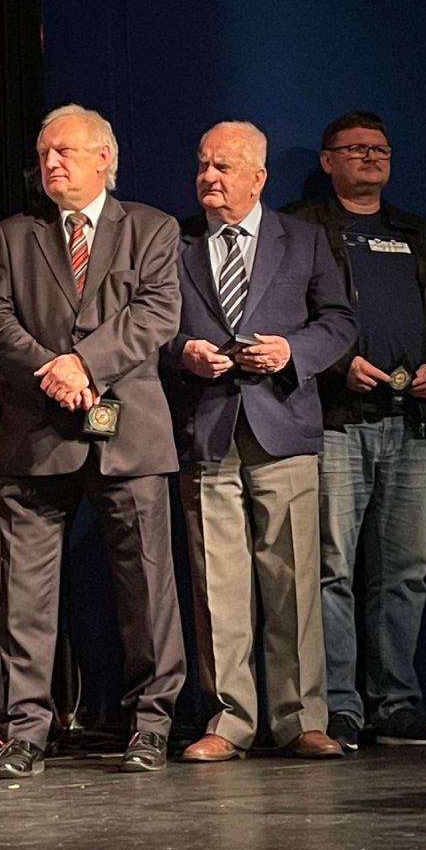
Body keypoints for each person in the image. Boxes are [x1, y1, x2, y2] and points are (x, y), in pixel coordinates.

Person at [0, 103, 186, 777]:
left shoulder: (151, 228)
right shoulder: (16, 235)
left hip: (129, 433)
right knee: (25, 593)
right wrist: (53, 370)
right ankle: (24, 730)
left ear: (104, 158)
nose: (51, 163)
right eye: (44, 154)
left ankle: (151, 723)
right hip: (39, 432)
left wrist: (85, 365)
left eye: (64, 151)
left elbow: (156, 314)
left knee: (147, 587)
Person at [166, 121, 353, 762]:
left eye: (223, 166)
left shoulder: (302, 238)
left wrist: (291, 351)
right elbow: (153, 327)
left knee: (293, 579)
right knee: (218, 584)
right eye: (203, 165)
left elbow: (340, 322)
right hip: (207, 427)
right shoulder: (175, 242)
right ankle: (229, 721)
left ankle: (301, 718)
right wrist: (184, 353)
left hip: (283, 424)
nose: (208, 177)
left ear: (259, 177)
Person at [285, 110, 426, 749]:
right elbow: (284, 316)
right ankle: (338, 707)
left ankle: (397, 703)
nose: (370, 157)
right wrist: (335, 366)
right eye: (355, 148)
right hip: (337, 423)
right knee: (331, 568)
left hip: (409, 423)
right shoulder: (302, 228)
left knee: (405, 570)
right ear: (327, 161)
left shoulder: (418, 234)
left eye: (380, 148)